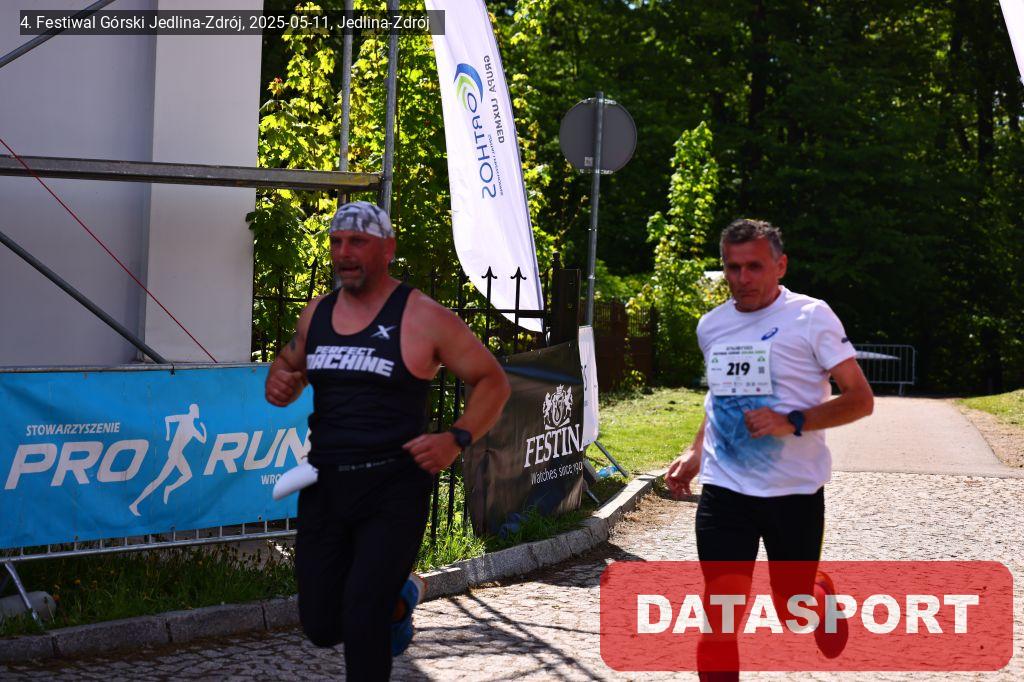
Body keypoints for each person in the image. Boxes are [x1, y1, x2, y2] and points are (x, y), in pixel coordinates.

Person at [264, 201, 511, 680]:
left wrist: (455, 438)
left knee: (363, 615)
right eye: (337, 242)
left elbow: (492, 381)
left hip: (394, 488)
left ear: (387, 249)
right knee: (320, 625)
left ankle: (382, 605)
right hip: (325, 484)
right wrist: (281, 380)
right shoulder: (317, 314)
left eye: (357, 242)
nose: (344, 253)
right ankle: (402, 597)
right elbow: (289, 363)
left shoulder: (423, 317)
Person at [665, 219, 874, 679]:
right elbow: (721, 398)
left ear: (780, 266)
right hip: (725, 490)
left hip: (793, 490)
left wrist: (792, 421)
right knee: (721, 614)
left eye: (754, 266)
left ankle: (818, 597)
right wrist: (696, 452)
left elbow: (860, 399)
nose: (742, 279)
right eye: (732, 267)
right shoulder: (712, 326)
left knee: (792, 609)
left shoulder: (811, 317)